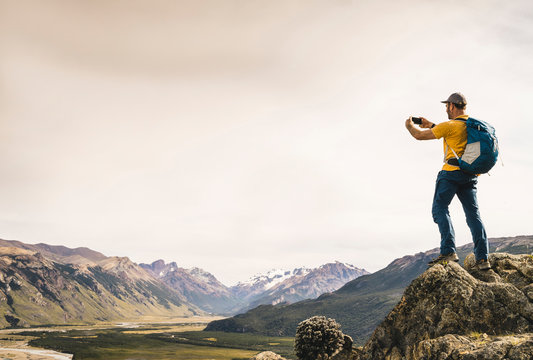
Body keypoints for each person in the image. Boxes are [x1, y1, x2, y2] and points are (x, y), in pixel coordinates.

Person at [404, 92, 490, 270]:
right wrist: (432, 125)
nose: (446, 109)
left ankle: (448, 251)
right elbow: (452, 135)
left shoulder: (449, 126)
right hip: (469, 175)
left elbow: (419, 136)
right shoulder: (471, 126)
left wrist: (409, 126)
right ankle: (483, 259)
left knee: (440, 208)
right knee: (474, 216)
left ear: (452, 106)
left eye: (446, 106)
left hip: (450, 174)